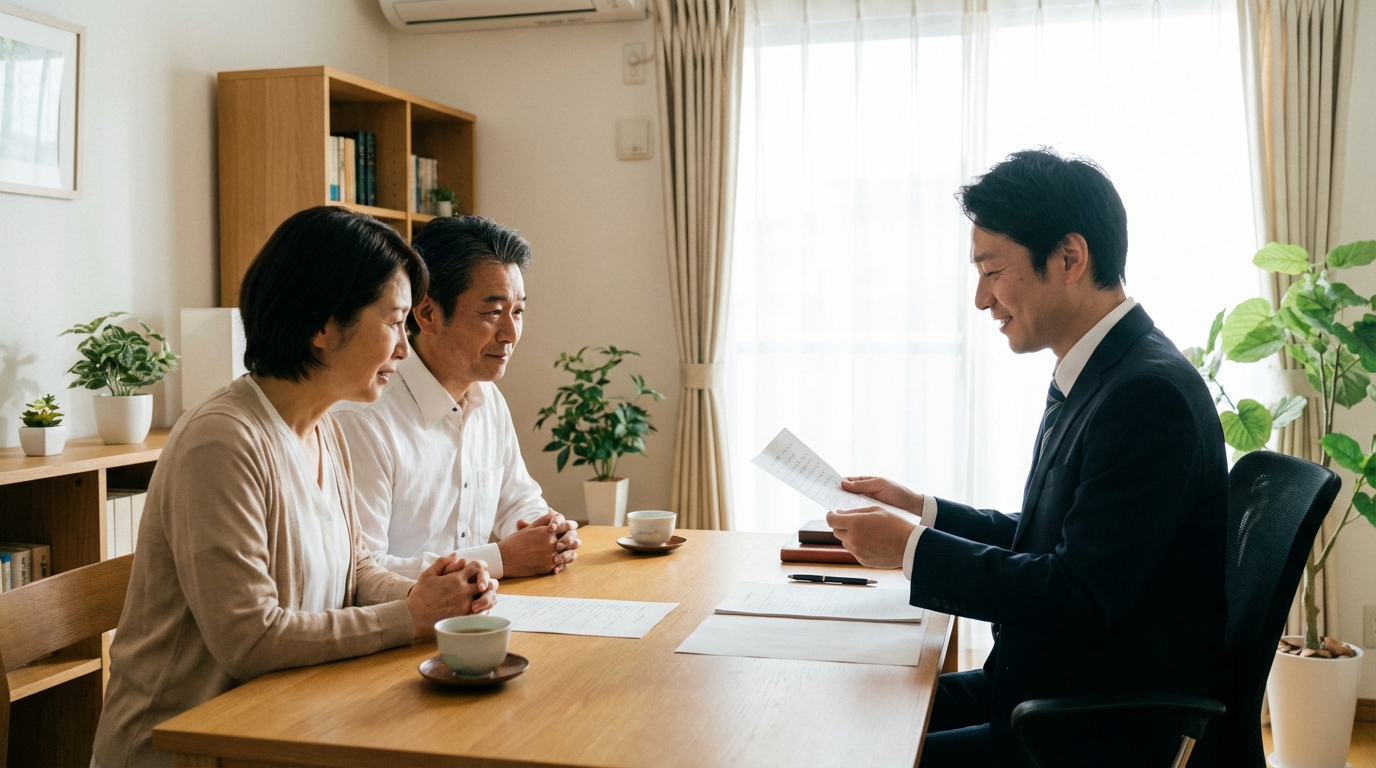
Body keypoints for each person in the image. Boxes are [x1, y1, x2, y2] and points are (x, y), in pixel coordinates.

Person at [826, 149, 1229, 767]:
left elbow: (1077, 594)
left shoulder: (1147, 396)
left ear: (1069, 258)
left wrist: (910, 551)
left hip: (1089, 726)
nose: (981, 299)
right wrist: (921, 511)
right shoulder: (1105, 370)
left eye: (991, 270)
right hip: (1041, 690)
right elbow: (1053, 540)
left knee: (853, 751)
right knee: (842, 712)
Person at [92, 208, 498, 768]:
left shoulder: (324, 428)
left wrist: (432, 596)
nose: (405, 349)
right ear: (323, 326)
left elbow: (355, 571)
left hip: (288, 723)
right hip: (185, 748)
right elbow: (250, 639)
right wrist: (410, 616)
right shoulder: (221, 442)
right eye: (393, 322)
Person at [336, 215, 579, 580]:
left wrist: (549, 532)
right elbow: (361, 571)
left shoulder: (487, 398)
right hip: (407, 613)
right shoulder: (364, 417)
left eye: (517, 312)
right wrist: (500, 559)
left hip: (479, 606)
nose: (510, 333)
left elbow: (516, 500)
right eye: (493, 312)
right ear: (428, 313)